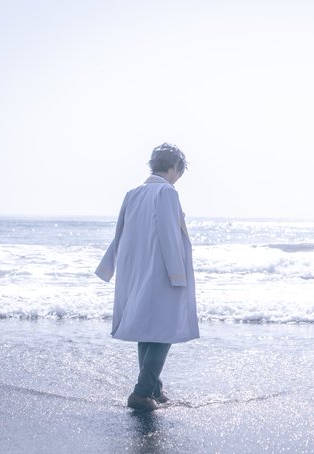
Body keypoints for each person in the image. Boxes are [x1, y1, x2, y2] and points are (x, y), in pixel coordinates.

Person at [95, 143, 199, 411]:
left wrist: (109, 267)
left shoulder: (133, 193)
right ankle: (141, 393)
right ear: (174, 168)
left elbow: (120, 233)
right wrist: (178, 275)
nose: (178, 177)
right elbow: (169, 234)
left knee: (147, 329)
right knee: (164, 330)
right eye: (180, 171)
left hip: (137, 270)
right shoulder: (167, 192)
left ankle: (154, 389)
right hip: (163, 271)